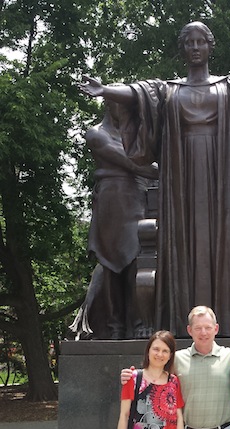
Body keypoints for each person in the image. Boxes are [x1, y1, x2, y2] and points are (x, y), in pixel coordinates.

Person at [79, 22, 230, 337]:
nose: (195, 48)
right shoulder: (168, 90)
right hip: (181, 181)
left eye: (201, 42)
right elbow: (137, 93)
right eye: (189, 43)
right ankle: (180, 320)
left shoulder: (229, 88)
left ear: (210, 47)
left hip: (221, 181)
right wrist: (104, 90)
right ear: (183, 49)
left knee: (225, 241)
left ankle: (228, 318)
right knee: (181, 241)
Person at [69, 98, 158, 340]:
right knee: (112, 260)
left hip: (141, 198)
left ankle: (139, 322)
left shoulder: (137, 136)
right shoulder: (97, 134)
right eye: (124, 106)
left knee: (140, 258)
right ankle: (113, 324)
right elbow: (134, 163)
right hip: (114, 199)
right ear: (111, 106)